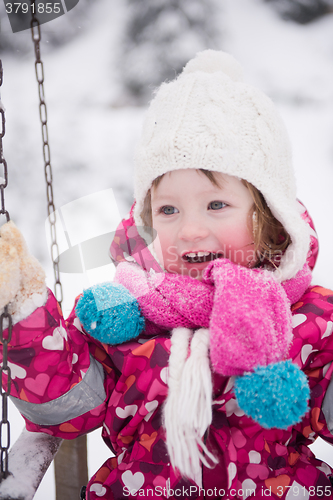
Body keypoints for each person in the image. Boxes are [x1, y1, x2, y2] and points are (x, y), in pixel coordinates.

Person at [1, 50, 333, 500]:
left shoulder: (309, 320)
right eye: (169, 209)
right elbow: (65, 406)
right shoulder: (120, 316)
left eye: (217, 204)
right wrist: (23, 312)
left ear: (269, 217)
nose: (190, 229)